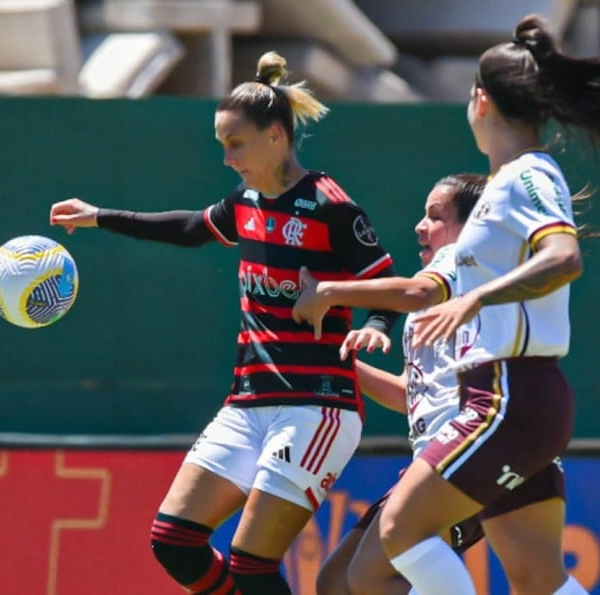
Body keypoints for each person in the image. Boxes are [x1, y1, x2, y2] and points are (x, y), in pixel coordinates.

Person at [296, 14, 600, 595]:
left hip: (508, 394)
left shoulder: (525, 173)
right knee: (537, 580)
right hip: (512, 398)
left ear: (481, 99)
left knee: (397, 534)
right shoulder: (503, 185)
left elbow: (565, 257)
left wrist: (472, 302)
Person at [49, 51, 400, 595]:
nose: (226, 156)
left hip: (316, 405)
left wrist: (375, 322)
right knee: (174, 540)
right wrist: (100, 216)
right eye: (222, 144)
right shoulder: (249, 201)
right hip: (247, 404)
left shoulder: (330, 206)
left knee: (252, 564)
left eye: (235, 143)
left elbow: (385, 281)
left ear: (277, 137)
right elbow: (191, 226)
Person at [315, 173, 488, 595]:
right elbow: (410, 392)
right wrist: (341, 360)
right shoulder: (438, 293)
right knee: (336, 583)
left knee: (369, 577)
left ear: (471, 228)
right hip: (432, 461)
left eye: (435, 216)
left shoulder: (464, 264)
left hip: (469, 455)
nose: (420, 226)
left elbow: (412, 293)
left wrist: (328, 292)